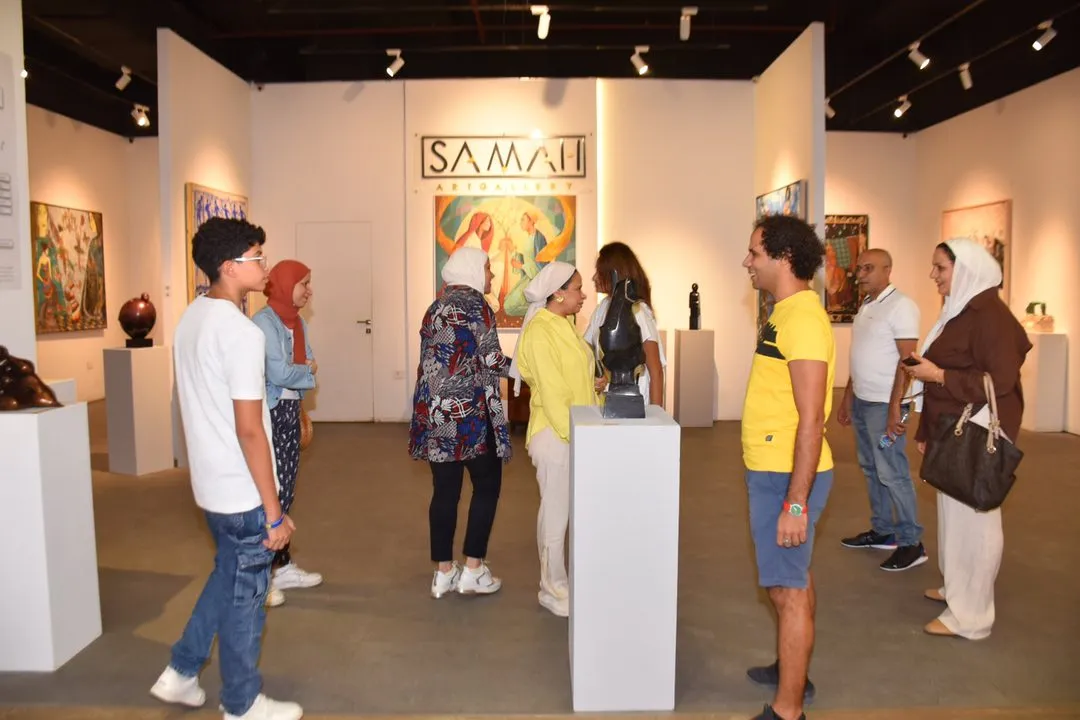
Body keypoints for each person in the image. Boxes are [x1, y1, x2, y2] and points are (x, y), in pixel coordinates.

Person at [149, 217, 302, 720]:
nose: (265, 266)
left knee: (227, 576)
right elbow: (250, 430)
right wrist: (274, 513)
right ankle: (241, 702)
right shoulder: (241, 333)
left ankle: (181, 671)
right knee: (246, 600)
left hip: (210, 486)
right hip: (242, 491)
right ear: (229, 266)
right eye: (257, 257)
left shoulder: (192, 317)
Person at [903, 238, 1030, 640]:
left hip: (976, 429)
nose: (933, 275)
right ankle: (957, 589)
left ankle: (972, 617)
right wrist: (928, 429)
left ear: (967, 270)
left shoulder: (989, 315)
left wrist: (938, 375)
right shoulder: (961, 308)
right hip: (954, 426)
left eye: (940, 268)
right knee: (954, 518)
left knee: (975, 523)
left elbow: (1000, 381)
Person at [741, 215, 833, 720]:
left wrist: (795, 503)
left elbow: (812, 419)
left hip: (786, 476)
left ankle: (788, 709)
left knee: (786, 589)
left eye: (755, 253)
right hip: (774, 469)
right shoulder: (787, 312)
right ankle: (792, 669)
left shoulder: (803, 321)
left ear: (784, 258)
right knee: (793, 578)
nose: (747, 262)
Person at [409, 247, 511, 599]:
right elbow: (492, 359)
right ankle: (473, 570)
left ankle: (442, 573)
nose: (492, 275)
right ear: (472, 270)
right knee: (486, 486)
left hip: (437, 416)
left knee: (445, 492)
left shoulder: (435, 307)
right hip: (470, 417)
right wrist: (527, 369)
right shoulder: (477, 305)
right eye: (488, 268)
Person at [509, 261, 594, 617]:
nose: (583, 295)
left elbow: (574, 380)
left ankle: (561, 583)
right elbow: (554, 392)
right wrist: (578, 435)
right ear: (558, 293)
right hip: (556, 434)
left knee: (563, 513)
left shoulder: (565, 325)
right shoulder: (540, 331)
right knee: (556, 516)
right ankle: (552, 588)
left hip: (576, 432)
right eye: (577, 288)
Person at [836, 249, 926, 571]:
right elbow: (861, 355)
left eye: (868, 268)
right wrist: (848, 397)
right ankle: (884, 531)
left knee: (892, 471)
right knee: (871, 468)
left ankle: (912, 543)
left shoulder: (902, 306)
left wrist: (894, 409)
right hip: (864, 402)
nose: (860, 274)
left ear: (888, 269)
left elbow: (908, 362)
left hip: (887, 407)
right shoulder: (867, 305)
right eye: (859, 268)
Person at [252, 260, 322, 608]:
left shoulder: (297, 322)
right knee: (271, 494)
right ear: (284, 285)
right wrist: (304, 370)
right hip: (271, 413)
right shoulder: (264, 322)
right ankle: (261, 576)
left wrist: (302, 369)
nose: (309, 290)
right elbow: (279, 373)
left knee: (286, 490)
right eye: (303, 283)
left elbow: (309, 362)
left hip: (290, 411)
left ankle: (281, 565)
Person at [583, 242, 667, 407]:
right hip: (607, 400)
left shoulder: (638, 311)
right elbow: (587, 348)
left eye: (599, 272)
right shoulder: (602, 308)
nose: (594, 278)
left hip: (635, 403)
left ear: (614, 274)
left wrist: (657, 415)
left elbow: (655, 370)